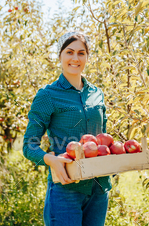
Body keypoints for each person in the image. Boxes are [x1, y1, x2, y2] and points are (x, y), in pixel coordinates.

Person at [23, 31, 112, 226]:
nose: (75, 58)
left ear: (87, 57)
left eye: (81, 53)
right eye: (69, 52)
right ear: (60, 55)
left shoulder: (97, 94)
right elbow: (29, 145)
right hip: (66, 189)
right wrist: (50, 159)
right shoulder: (48, 96)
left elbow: (104, 140)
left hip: (99, 189)